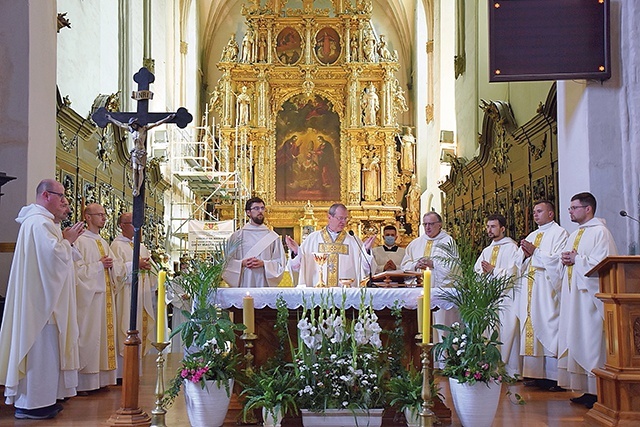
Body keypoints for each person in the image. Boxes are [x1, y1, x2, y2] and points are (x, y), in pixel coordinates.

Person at [0, 179, 84, 420]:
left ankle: (44, 400)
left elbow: (59, 255)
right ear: (46, 195)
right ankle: (31, 404)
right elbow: (53, 257)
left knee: (47, 353)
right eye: (62, 198)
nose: (64, 204)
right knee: (38, 352)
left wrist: (67, 241)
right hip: (40, 305)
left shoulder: (45, 223)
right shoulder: (38, 223)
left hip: (47, 302)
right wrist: (67, 240)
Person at [558, 192, 617, 409]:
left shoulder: (600, 232)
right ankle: (585, 389)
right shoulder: (575, 235)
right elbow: (570, 261)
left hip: (589, 298)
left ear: (588, 209)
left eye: (574, 208)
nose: (570, 212)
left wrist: (577, 259)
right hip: (574, 296)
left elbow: (602, 264)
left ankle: (598, 390)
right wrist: (564, 261)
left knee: (591, 342)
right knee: (577, 337)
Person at [514, 201, 568, 391]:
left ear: (551, 214)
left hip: (546, 288)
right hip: (530, 288)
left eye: (539, 211)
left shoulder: (559, 233)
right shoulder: (532, 235)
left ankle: (554, 378)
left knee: (549, 325)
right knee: (532, 327)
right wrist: (525, 254)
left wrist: (535, 252)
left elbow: (557, 260)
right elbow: (517, 261)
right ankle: (536, 374)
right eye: (534, 212)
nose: (535, 215)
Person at [73, 203, 123, 393]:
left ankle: (101, 380)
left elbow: (115, 268)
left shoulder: (103, 242)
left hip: (105, 299)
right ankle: (85, 382)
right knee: (89, 336)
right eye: (99, 214)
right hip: (90, 300)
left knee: (102, 338)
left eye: (104, 214)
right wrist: (98, 266)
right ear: (87, 217)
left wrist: (111, 267)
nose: (103, 218)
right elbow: (77, 272)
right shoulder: (80, 241)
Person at [110, 212, 157, 378]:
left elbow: (150, 270)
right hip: (127, 294)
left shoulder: (141, 246)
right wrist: (134, 265)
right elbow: (116, 272)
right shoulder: (116, 246)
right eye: (132, 223)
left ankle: (135, 371)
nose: (138, 228)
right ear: (122, 225)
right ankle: (122, 373)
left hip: (141, 295)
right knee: (126, 328)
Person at [474, 214, 521, 377]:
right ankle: (490, 367)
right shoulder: (486, 250)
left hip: (506, 298)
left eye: (493, 226)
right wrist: (484, 273)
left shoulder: (512, 248)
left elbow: (514, 273)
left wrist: (494, 271)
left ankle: (509, 370)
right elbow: (476, 271)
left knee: (507, 331)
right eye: (487, 227)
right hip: (488, 300)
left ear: (502, 228)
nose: (489, 230)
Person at [401, 212, 458, 343]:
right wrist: (416, 265)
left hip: (439, 294)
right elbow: (404, 265)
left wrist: (433, 264)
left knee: (441, 330)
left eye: (431, 224)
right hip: (418, 294)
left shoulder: (448, 242)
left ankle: (442, 362)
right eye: (425, 224)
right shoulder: (415, 243)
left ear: (439, 225)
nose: (427, 227)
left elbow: (454, 267)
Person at [286, 203, 376, 287]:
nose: (343, 222)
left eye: (345, 218)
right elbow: (299, 266)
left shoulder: (353, 241)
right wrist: (295, 251)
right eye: (340, 218)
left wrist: (366, 251)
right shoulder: (313, 239)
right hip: (317, 292)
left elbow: (364, 269)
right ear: (329, 217)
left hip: (345, 293)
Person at [105, 113, 176, 196]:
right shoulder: (131, 131)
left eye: (133, 125)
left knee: (140, 169)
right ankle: (135, 188)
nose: (132, 126)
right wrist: (110, 119)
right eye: (131, 125)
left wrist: (167, 118)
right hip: (135, 152)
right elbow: (120, 125)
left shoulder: (144, 129)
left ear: (136, 123)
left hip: (142, 153)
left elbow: (156, 124)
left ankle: (138, 188)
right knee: (134, 169)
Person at [222, 197, 286, 288]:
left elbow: (280, 263)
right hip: (244, 283)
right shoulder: (237, 236)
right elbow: (226, 263)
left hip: (263, 283)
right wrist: (242, 263)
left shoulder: (273, 237)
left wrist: (264, 264)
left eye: (262, 208)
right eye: (256, 208)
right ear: (248, 212)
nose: (260, 211)